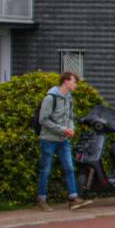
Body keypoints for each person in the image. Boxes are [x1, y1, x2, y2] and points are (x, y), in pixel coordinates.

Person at [36, 72, 92, 212]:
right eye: (74, 82)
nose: (76, 85)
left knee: (69, 168)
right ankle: (41, 200)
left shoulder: (69, 98)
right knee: (45, 170)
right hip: (48, 139)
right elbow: (43, 120)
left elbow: (70, 117)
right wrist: (62, 130)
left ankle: (73, 199)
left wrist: (71, 129)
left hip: (64, 140)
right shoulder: (50, 98)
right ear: (66, 81)